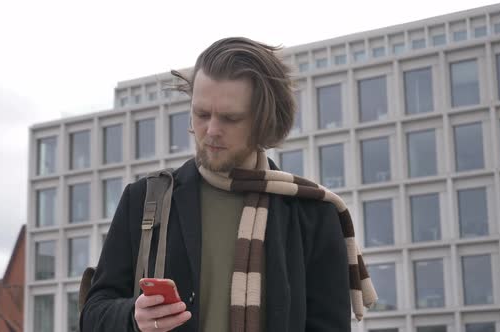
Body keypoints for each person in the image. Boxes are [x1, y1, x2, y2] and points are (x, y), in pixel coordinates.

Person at [81, 37, 376, 332]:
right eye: (201, 114)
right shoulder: (145, 199)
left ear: (264, 120)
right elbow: (92, 315)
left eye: (230, 118)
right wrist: (134, 316)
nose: (211, 131)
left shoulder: (313, 214)